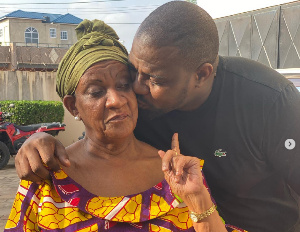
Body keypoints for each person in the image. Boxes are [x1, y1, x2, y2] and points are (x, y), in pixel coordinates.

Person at [14, 2, 300, 232]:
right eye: (134, 72)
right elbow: (97, 133)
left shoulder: (270, 101)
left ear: (201, 75)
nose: (135, 89)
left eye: (153, 79)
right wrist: (40, 141)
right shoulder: (142, 102)